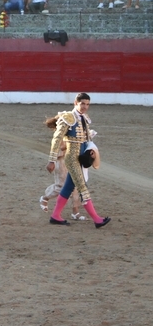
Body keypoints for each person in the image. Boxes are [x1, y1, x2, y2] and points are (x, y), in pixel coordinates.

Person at [46, 93, 110, 228]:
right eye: (82, 104)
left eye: (87, 104)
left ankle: (55, 216)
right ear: (76, 103)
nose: (85, 107)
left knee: (68, 187)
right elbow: (57, 139)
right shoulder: (68, 118)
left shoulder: (84, 118)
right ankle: (97, 219)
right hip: (72, 158)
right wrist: (52, 160)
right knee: (82, 187)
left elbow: (85, 139)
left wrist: (90, 149)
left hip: (81, 157)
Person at [39, 114, 86, 219]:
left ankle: (75, 211)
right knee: (61, 186)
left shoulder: (69, 133)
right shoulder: (59, 134)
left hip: (71, 161)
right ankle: (45, 197)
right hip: (60, 162)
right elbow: (61, 147)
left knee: (74, 186)